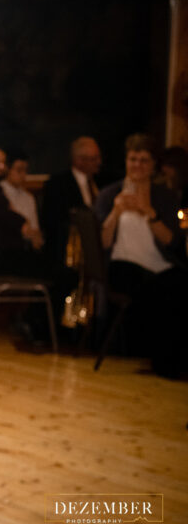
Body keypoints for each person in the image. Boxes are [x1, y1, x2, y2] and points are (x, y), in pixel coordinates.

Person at [95, 133, 187, 379]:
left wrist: (149, 213)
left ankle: (174, 360)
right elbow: (101, 243)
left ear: (153, 165)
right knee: (169, 289)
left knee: (178, 282)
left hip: (158, 264)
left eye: (144, 160)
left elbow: (171, 240)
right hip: (121, 266)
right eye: (133, 159)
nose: (137, 165)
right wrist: (116, 212)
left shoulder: (164, 196)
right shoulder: (109, 194)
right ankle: (166, 364)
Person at [41, 136, 102, 269]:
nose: (99, 162)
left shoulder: (103, 181)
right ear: (78, 160)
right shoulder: (58, 184)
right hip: (70, 247)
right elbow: (53, 221)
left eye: (98, 157)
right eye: (93, 159)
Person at [0, 148, 40, 235]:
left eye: (25, 170)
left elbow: (35, 230)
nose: (23, 175)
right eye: (19, 170)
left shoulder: (29, 198)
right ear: (7, 169)